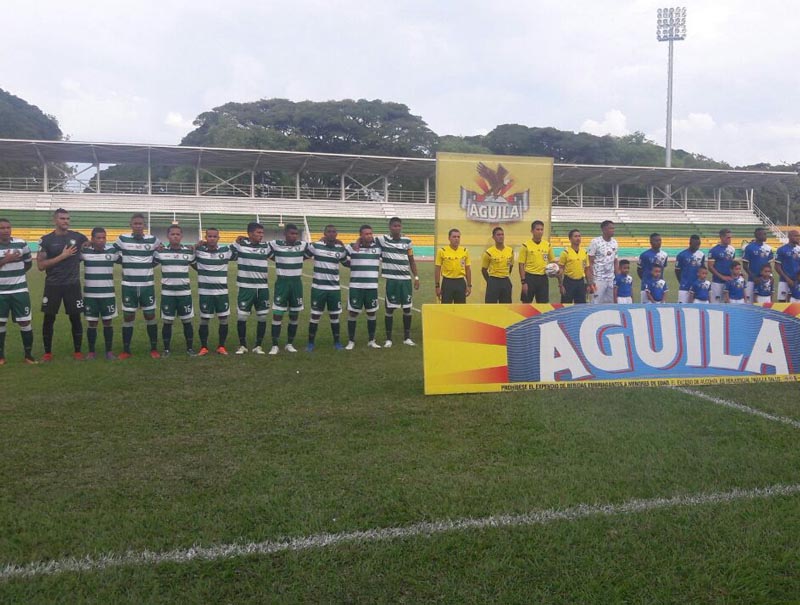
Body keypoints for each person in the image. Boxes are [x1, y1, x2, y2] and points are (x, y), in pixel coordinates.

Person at [36, 208, 88, 361]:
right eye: (62, 218)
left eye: (67, 218)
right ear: (55, 220)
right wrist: (63, 256)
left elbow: (91, 244)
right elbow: (41, 266)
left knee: (75, 318)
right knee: (49, 318)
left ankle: (78, 351)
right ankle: (47, 353)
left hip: (72, 285)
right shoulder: (46, 240)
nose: (66, 221)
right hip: (53, 285)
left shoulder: (78, 237)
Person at [115, 213, 160, 359]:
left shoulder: (153, 240)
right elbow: (112, 253)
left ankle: (154, 349)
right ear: (131, 225)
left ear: (144, 225)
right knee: (128, 317)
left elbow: (160, 254)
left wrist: (147, 265)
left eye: (141, 224)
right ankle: (126, 350)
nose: (138, 226)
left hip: (147, 286)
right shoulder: (122, 239)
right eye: (135, 223)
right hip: (129, 285)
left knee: (150, 315)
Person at [154, 224, 196, 357]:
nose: (175, 236)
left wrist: (197, 246)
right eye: (172, 234)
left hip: (185, 293)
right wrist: (153, 249)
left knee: (187, 321)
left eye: (178, 234)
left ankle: (190, 348)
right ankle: (166, 349)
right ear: (168, 236)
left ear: (182, 236)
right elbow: (149, 263)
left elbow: (199, 267)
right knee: (167, 321)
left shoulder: (188, 252)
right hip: (168, 294)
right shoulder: (161, 252)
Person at [376, 217, 418, 347]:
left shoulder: (407, 241)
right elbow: (367, 239)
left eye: (399, 226)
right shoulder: (383, 240)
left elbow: (411, 260)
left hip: (405, 280)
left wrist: (416, 277)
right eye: (394, 226)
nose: (397, 228)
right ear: (390, 227)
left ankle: (407, 338)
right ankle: (389, 339)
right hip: (392, 280)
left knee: (407, 308)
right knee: (390, 309)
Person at [267, 223, 309, 355]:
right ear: (285, 234)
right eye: (291, 233)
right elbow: (262, 248)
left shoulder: (302, 245)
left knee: (294, 315)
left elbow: (314, 250)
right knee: (277, 314)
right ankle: (275, 345)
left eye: (296, 234)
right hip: (282, 283)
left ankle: (289, 344)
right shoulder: (275, 244)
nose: (294, 236)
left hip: (296, 284)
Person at [193, 227, 235, 355]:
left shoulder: (226, 250)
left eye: (214, 236)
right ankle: (204, 347)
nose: (212, 238)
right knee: (204, 319)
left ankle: (221, 346)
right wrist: (196, 245)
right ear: (205, 238)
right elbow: (189, 257)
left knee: (223, 319)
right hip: (205, 293)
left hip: (222, 293)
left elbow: (238, 250)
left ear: (218, 238)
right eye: (209, 236)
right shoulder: (199, 251)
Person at [306, 224, 347, 351]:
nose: (331, 234)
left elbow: (347, 262)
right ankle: (310, 343)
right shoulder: (316, 246)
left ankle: (337, 342)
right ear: (324, 233)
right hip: (318, 288)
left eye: (334, 232)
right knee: (315, 316)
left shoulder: (340, 249)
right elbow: (302, 254)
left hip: (334, 289)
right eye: (329, 231)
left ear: (337, 234)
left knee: (335, 316)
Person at [81, 227, 120, 360]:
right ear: (92, 239)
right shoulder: (85, 252)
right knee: (92, 323)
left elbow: (127, 258)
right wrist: (82, 244)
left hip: (108, 295)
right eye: (98, 238)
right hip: (90, 295)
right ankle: (91, 351)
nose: (101, 240)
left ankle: (109, 351)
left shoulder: (112, 251)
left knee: (107, 322)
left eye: (104, 237)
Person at [0, 218, 35, 364]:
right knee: (0, 323)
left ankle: (28, 355)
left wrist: (18, 276)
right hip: (1, 292)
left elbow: (28, 263)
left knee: (25, 321)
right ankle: (1, 356)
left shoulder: (21, 243)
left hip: (20, 290)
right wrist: (5, 260)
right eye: (2, 228)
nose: (6, 230)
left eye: (8, 227)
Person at [232, 222, 271, 355]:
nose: (261, 235)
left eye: (262, 233)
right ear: (250, 233)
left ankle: (258, 346)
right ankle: (242, 345)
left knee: (262, 317)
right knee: (242, 317)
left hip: (262, 288)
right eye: (258, 233)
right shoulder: (240, 245)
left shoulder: (266, 247)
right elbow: (225, 251)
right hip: (245, 288)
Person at [345, 224, 382, 349]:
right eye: (366, 234)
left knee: (371, 313)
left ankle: (371, 340)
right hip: (356, 286)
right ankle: (351, 341)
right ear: (360, 235)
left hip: (372, 287)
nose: (369, 236)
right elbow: (342, 257)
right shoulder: (351, 247)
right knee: (353, 313)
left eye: (371, 233)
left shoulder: (378, 248)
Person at [518, 220, 552, 303]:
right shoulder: (526, 245)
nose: (540, 232)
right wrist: (523, 282)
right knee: (526, 304)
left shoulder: (547, 245)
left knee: (543, 305)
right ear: (532, 231)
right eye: (538, 229)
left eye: (541, 229)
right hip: (530, 278)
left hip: (543, 278)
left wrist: (556, 268)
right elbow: (521, 265)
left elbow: (552, 261)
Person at [434, 228, 471, 304]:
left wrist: (469, 285)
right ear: (449, 238)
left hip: (460, 282)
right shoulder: (442, 251)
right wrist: (437, 286)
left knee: (460, 308)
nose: (456, 239)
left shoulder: (464, 251)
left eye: (458, 237)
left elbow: (468, 269)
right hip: (447, 282)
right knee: (446, 307)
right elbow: (437, 269)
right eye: (454, 237)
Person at [587, 220, 619, 304]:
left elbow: (615, 260)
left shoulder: (614, 242)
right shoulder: (595, 242)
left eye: (613, 228)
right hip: (598, 279)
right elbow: (590, 261)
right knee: (596, 302)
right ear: (604, 229)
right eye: (610, 228)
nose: (613, 230)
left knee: (610, 303)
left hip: (610, 279)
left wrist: (617, 276)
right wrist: (591, 281)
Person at [558, 229, 591, 304]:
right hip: (568, 282)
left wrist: (589, 284)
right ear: (570, 238)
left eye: (579, 236)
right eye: (575, 236)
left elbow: (587, 269)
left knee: (581, 306)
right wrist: (561, 285)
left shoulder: (584, 252)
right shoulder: (565, 253)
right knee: (565, 305)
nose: (578, 238)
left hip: (580, 283)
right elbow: (560, 270)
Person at [481, 227, 514, 303]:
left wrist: (505, 274)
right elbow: (484, 270)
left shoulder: (510, 251)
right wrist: (490, 281)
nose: (501, 236)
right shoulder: (489, 252)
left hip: (505, 281)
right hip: (493, 281)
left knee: (506, 306)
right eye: (498, 235)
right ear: (493, 237)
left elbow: (511, 265)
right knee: (491, 306)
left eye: (502, 234)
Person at [742, 227, 774, 303]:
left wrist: (771, 276)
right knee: (750, 303)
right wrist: (754, 278)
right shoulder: (749, 247)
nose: (766, 236)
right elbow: (745, 265)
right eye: (764, 234)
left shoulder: (768, 248)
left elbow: (769, 265)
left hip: (765, 280)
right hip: (752, 280)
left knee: (764, 302)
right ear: (757, 235)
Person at [637, 233, 668, 304]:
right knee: (645, 309)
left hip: (659, 287)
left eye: (660, 240)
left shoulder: (664, 255)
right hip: (646, 287)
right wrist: (646, 280)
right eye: (656, 240)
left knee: (660, 307)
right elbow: (639, 270)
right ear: (651, 242)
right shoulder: (644, 255)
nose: (658, 242)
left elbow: (662, 269)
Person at [707, 228, 736, 303]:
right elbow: (710, 266)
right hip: (717, 282)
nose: (730, 239)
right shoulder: (714, 250)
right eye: (728, 237)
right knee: (716, 304)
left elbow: (733, 264)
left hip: (729, 281)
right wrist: (722, 277)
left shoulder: (732, 249)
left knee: (728, 303)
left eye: (730, 237)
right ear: (722, 237)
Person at [675, 235, 706, 303]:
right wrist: (682, 282)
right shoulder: (681, 255)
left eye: (698, 244)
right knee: (682, 306)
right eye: (695, 244)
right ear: (690, 243)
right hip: (685, 287)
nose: (697, 246)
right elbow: (677, 271)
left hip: (697, 286)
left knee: (695, 308)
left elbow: (702, 269)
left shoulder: (701, 255)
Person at [774, 230, 800, 302]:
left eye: (799, 236)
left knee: (795, 300)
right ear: (789, 237)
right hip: (784, 280)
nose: (798, 238)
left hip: (797, 281)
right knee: (782, 301)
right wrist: (787, 279)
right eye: (795, 236)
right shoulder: (781, 249)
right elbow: (777, 266)